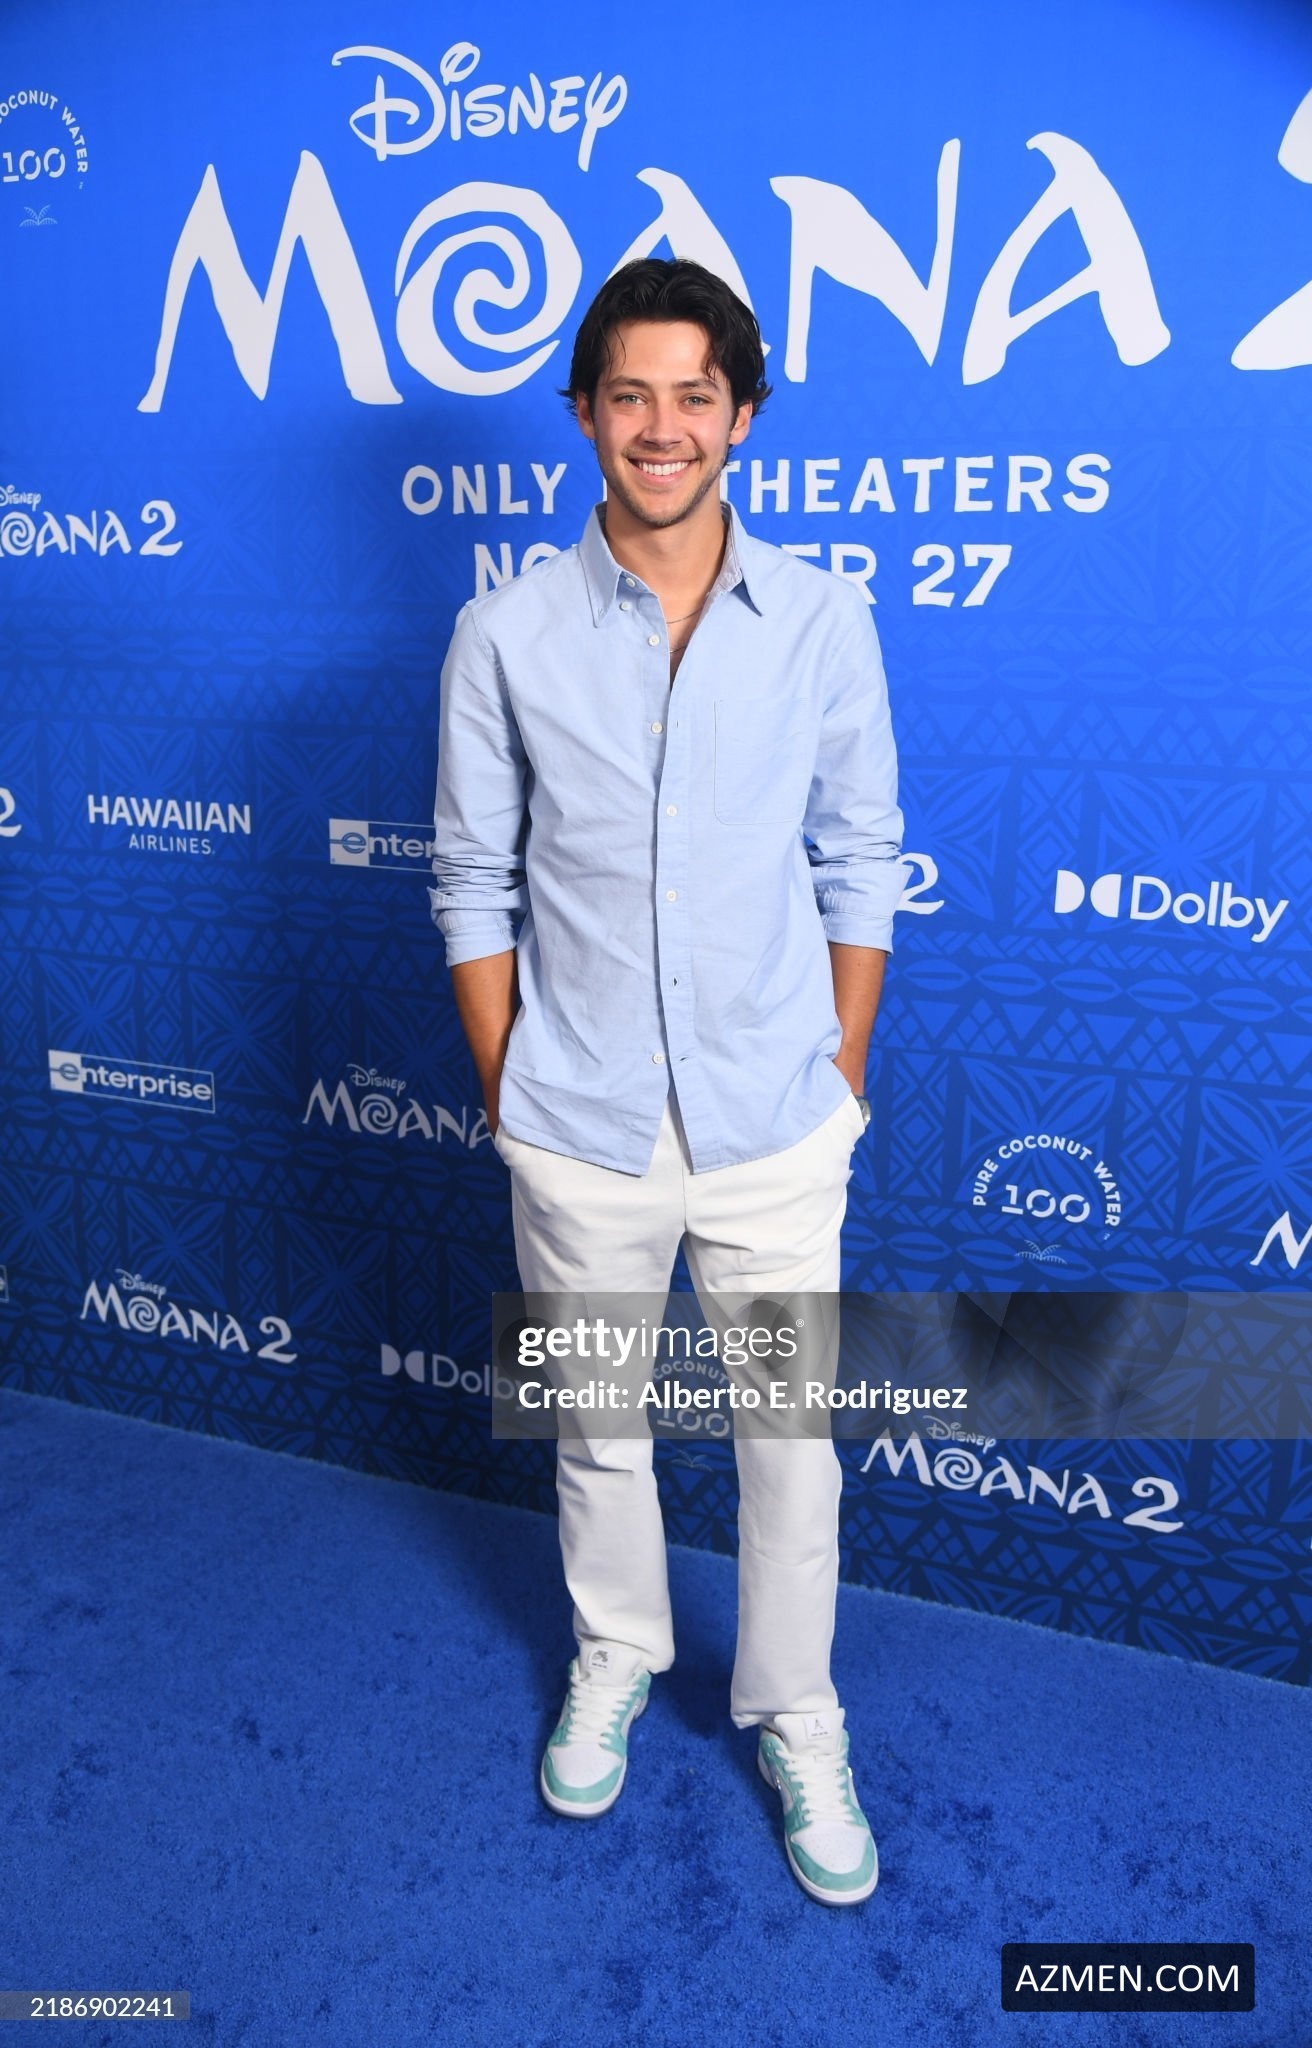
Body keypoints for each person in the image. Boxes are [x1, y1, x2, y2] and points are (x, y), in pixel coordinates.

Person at [430, 257, 903, 1907]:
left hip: (777, 1120)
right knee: (595, 1427)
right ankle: (616, 1652)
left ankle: (795, 1714)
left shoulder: (824, 619)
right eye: (629, 394)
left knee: (791, 1446)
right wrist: (512, 1088)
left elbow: (862, 856)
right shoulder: (502, 632)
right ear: (583, 414)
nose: (661, 427)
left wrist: (839, 1069)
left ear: (741, 416)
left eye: (694, 395)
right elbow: (471, 878)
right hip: (579, 1124)